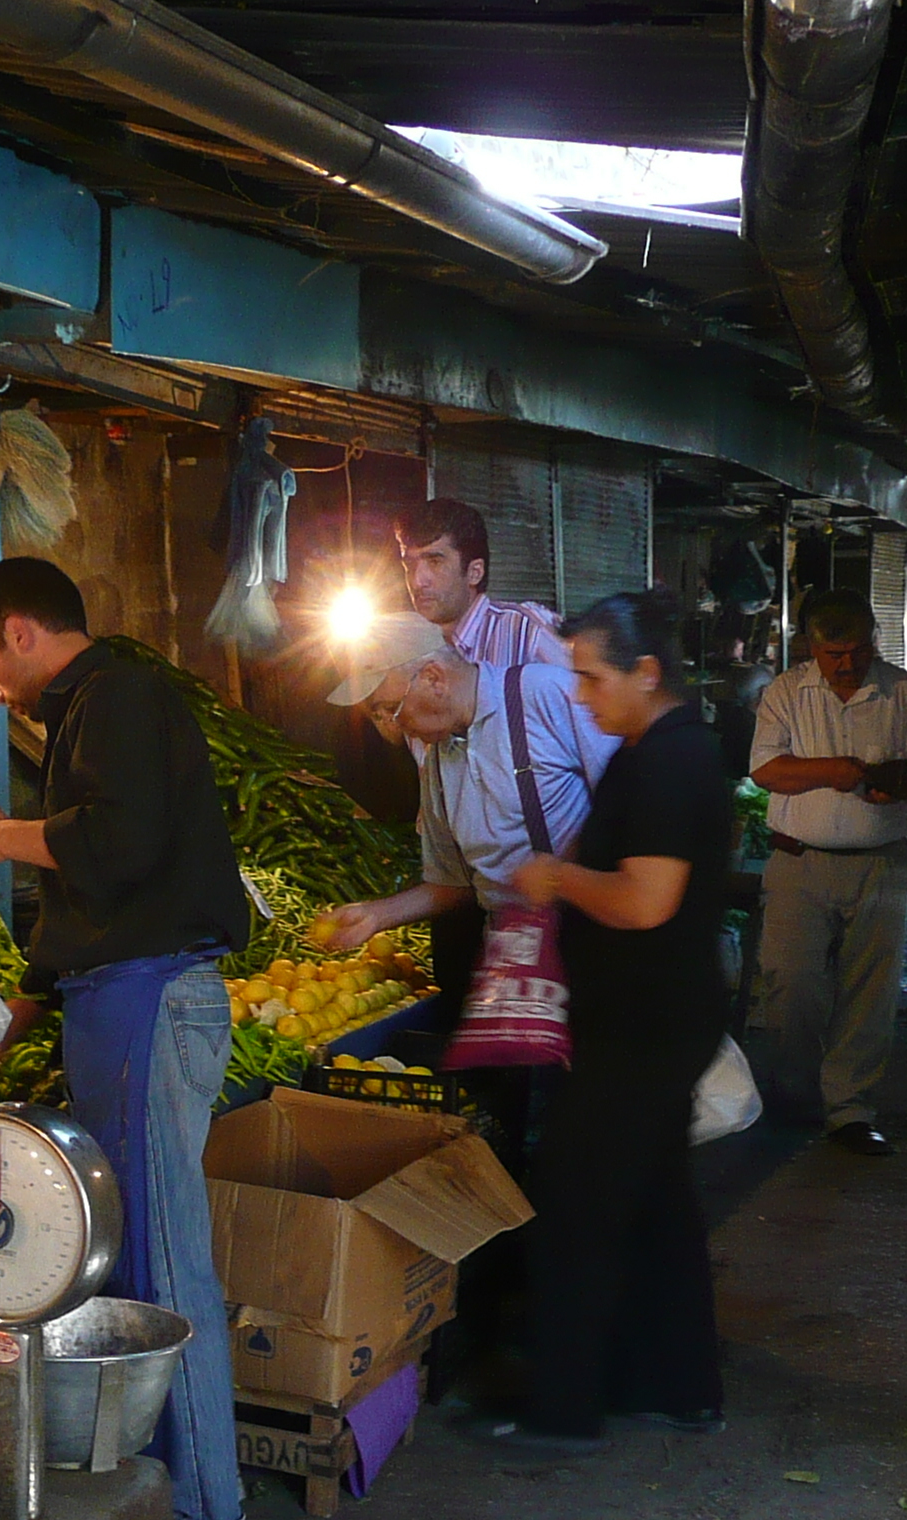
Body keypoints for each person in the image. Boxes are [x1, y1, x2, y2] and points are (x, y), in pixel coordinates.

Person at [0, 558, 255, 1520]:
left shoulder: (119, 695)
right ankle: (172, 1494)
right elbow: (84, 908)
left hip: (153, 1000)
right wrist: (8, 1027)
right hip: (115, 1001)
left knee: (164, 1258)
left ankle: (207, 1518)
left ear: (16, 631)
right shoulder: (86, 712)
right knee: (139, 1258)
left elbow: (121, 839)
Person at [481, 589, 730, 1457]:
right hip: (651, 1018)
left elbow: (646, 899)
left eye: (590, 679)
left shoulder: (671, 763)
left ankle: (565, 1406)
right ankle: (679, 1386)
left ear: (646, 672)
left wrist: (556, 878)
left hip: (644, 1026)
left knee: (579, 1208)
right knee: (659, 1206)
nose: (580, 698)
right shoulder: (649, 751)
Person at [310, 610, 614, 1010]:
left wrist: (563, 871)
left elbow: (630, 805)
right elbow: (453, 883)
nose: (392, 727)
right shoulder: (436, 762)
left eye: (391, 708)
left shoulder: (546, 695)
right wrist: (376, 915)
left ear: (434, 679)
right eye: (378, 716)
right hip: (515, 969)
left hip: (591, 949)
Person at [744, 590, 907, 1153]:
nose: (846, 664)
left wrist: (904, 784)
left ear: (874, 641)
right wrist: (832, 771)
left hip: (880, 864)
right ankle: (793, 1098)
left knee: (869, 990)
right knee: (791, 985)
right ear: (813, 646)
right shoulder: (787, 692)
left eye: (858, 651)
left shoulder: (904, 692)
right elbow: (765, 769)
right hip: (797, 862)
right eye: (834, 653)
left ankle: (850, 1110)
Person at [395, 497, 569, 671]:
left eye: (435, 562)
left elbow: (586, 694)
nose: (417, 581)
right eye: (409, 565)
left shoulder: (526, 632)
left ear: (474, 573)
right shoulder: (408, 644)